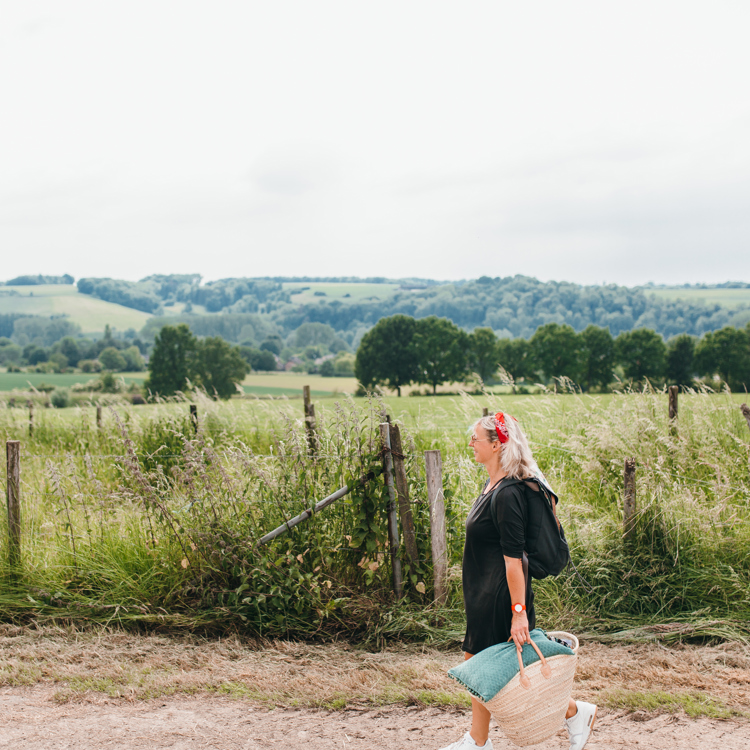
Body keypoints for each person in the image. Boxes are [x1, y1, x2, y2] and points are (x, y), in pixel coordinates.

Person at [439, 412, 596, 750]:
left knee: (493, 667)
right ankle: (570, 714)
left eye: (476, 439)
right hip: (482, 593)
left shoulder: (508, 494)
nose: (471, 444)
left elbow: (515, 560)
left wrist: (519, 611)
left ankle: (480, 741)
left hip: (500, 595)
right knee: (481, 664)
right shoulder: (490, 485)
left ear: (497, 445)